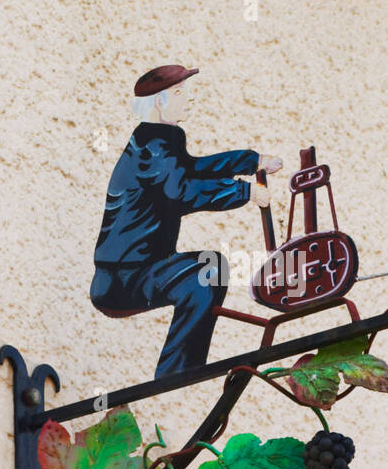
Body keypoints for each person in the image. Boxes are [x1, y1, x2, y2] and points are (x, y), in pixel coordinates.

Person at [91, 65, 282, 379]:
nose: (188, 100)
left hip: (132, 273)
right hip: (124, 279)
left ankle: (179, 370)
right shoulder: (152, 149)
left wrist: (251, 162)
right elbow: (180, 193)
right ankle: (175, 373)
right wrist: (244, 192)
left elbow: (193, 170)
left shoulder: (156, 142)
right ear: (158, 102)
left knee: (210, 269)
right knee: (207, 272)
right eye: (179, 93)